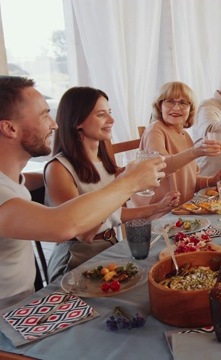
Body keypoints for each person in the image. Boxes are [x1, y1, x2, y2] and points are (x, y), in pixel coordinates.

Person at [0, 76, 165, 333]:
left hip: (24, 311)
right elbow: (65, 227)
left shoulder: (7, 178)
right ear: (9, 128)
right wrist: (129, 182)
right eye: (44, 115)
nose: (55, 124)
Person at [44, 87, 180, 282]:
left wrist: (156, 208)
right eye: (101, 114)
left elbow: (114, 214)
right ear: (77, 122)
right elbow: (84, 233)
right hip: (76, 259)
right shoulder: (59, 169)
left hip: (109, 247)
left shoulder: (103, 161)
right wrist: (123, 184)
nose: (111, 120)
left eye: (110, 113)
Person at [140, 81, 221, 204]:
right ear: (159, 106)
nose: (176, 108)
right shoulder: (155, 130)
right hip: (160, 213)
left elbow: (190, 182)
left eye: (183, 103)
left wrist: (213, 181)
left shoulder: (185, 135)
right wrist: (195, 152)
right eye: (170, 101)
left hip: (184, 209)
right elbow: (160, 169)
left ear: (190, 109)